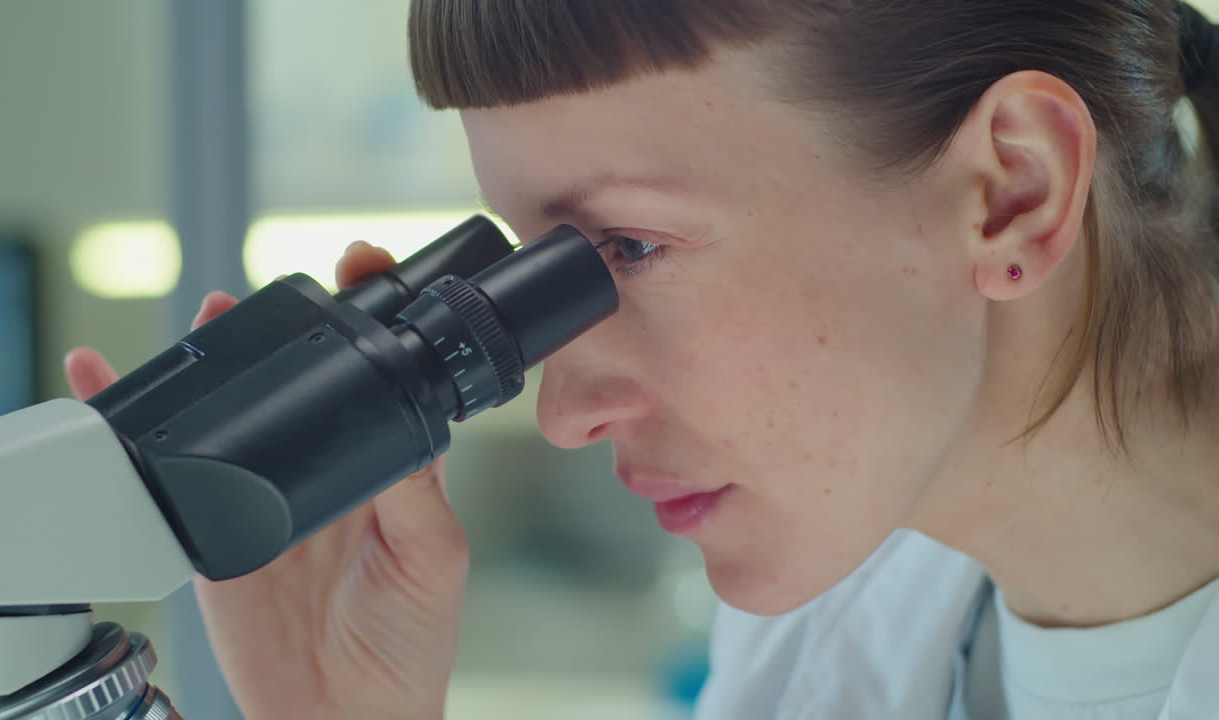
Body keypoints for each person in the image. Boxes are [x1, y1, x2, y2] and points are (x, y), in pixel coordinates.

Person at [66, 1, 1219, 718]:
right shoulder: (808, 645)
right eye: (537, 273)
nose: (562, 411)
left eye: (628, 247)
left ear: (1010, 189)